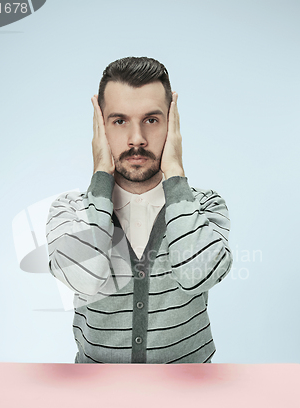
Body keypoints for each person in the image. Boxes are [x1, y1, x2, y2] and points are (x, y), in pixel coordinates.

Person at [46, 56, 233, 364]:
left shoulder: (205, 205)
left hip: (191, 396)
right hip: (95, 395)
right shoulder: (70, 209)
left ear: (172, 124)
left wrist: (175, 172)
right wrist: (101, 177)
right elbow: (87, 280)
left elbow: (195, 276)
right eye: (119, 121)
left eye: (152, 120)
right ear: (99, 126)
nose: (137, 139)